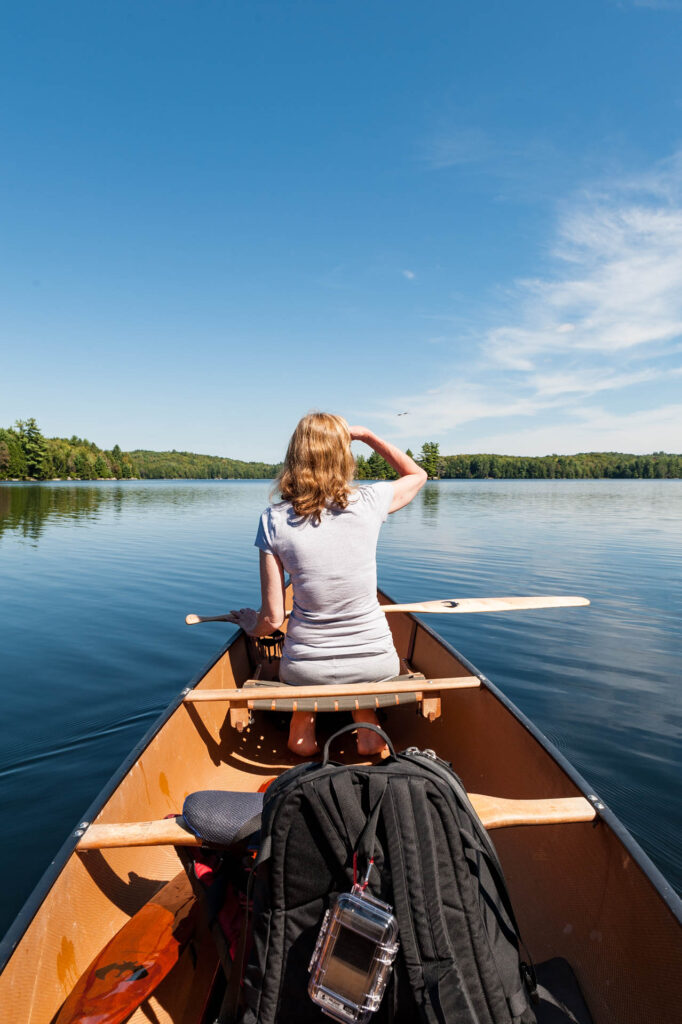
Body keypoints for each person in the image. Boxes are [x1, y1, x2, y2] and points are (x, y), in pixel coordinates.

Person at [226, 413, 427, 756]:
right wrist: (366, 435)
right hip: (376, 662)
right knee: (361, 679)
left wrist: (250, 625)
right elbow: (417, 474)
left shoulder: (273, 520)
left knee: (306, 684)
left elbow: (273, 620)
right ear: (343, 456)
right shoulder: (369, 502)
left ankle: (301, 730)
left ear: (295, 457)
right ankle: (368, 728)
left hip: (307, 667)